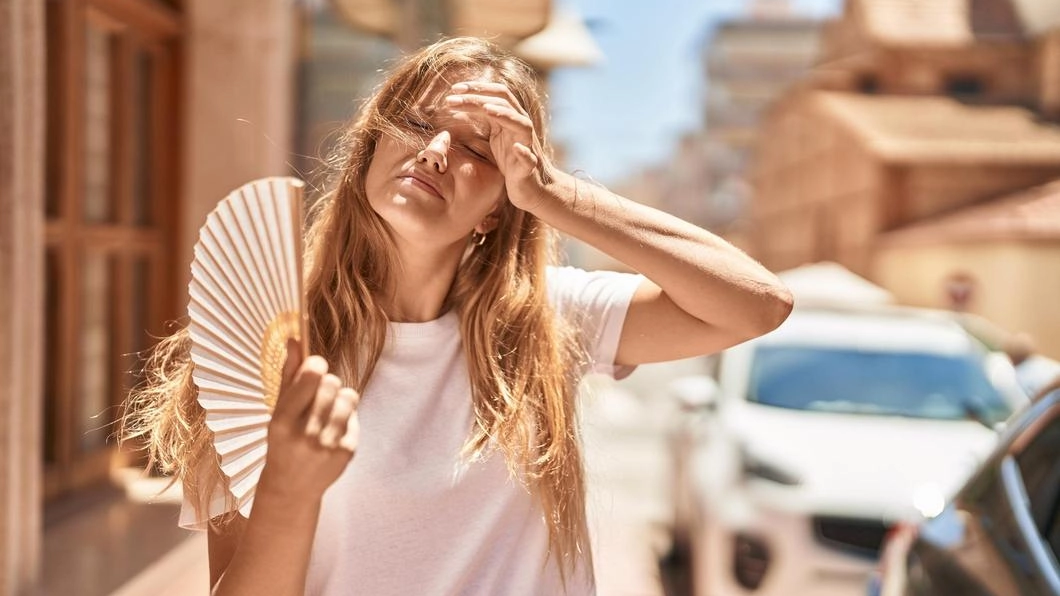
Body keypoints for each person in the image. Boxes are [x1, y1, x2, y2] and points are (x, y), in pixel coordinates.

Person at [123, 37, 792, 596]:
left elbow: (758, 304)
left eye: (479, 148)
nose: (437, 150)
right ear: (369, 149)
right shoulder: (261, 346)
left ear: (501, 206)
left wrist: (554, 193)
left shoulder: (547, 320)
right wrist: (287, 495)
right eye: (416, 123)